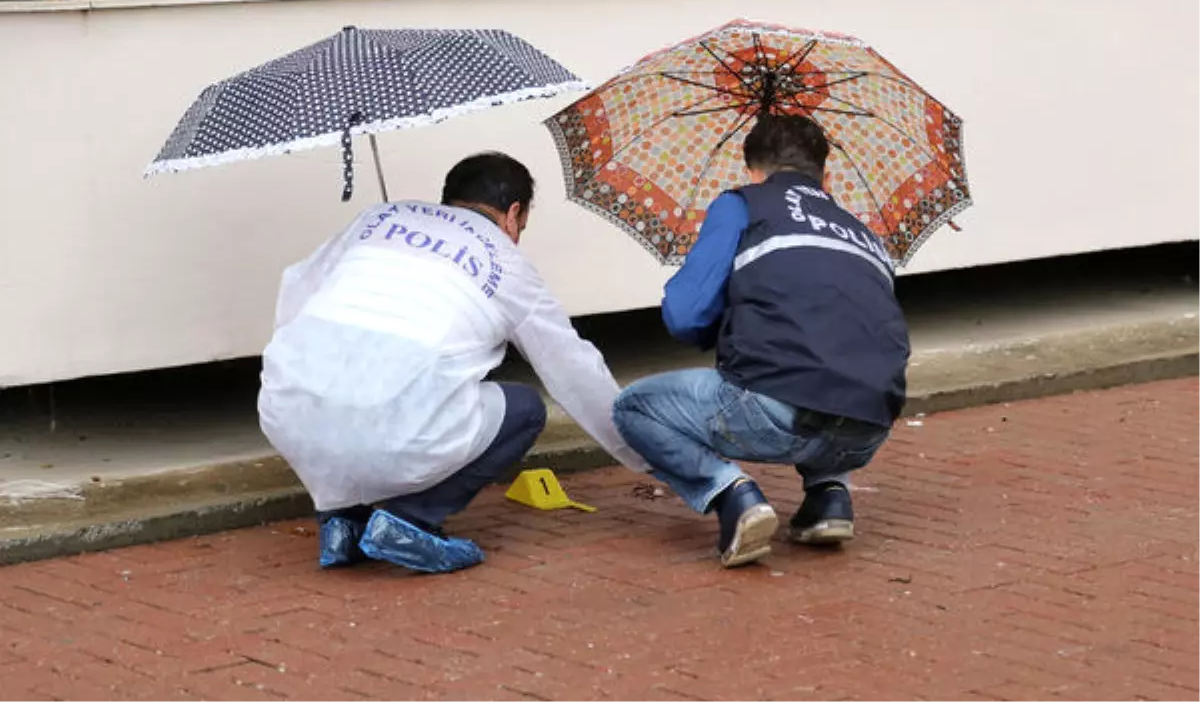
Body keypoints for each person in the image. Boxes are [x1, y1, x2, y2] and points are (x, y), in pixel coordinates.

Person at [259, 152, 648, 574]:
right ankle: (410, 520)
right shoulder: (506, 261)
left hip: (289, 408)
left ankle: (341, 521)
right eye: (522, 226)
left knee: (349, 389)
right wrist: (642, 450)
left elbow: (299, 289)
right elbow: (573, 370)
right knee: (524, 409)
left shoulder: (377, 218)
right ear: (513, 213)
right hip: (393, 425)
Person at [611, 114, 910, 568]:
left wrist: (725, 325)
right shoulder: (861, 231)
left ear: (752, 171)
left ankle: (733, 495)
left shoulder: (741, 205)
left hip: (775, 413)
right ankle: (829, 498)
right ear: (826, 176)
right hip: (869, 427)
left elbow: (685, 315)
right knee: (828, 361)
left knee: (633, 407)